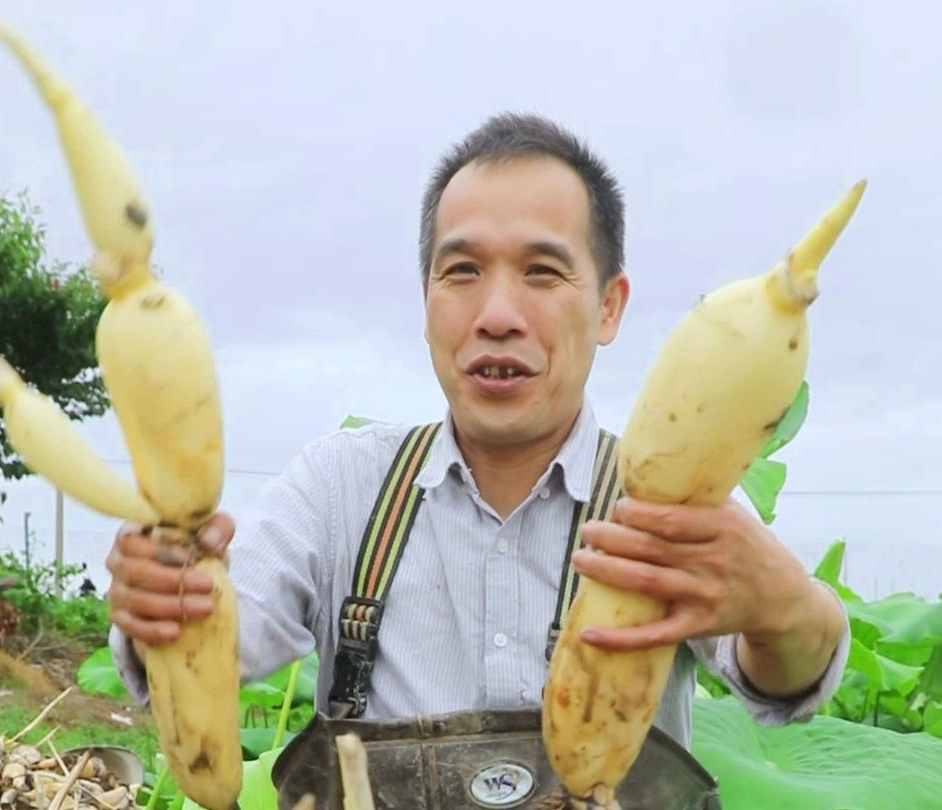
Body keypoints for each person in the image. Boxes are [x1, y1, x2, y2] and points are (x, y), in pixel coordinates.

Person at [105, 113, 850, 751]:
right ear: (426, 296)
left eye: (542, 272)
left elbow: (781, 677)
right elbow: (225, 633)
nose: (497, 313)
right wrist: (166, 603)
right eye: (461, 271)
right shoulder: (340, 487)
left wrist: (786, 608)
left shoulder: (674, 502)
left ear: (610, 307)